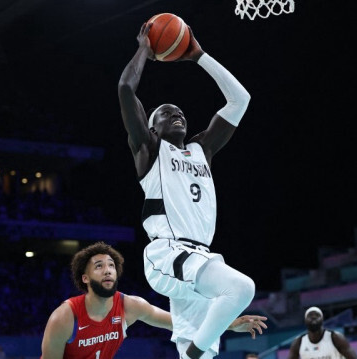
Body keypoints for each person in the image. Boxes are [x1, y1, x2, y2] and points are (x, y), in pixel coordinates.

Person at [118, 18, 256, 359]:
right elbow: (125, 90)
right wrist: (144, 50)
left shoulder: (201, 150)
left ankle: (194, 354)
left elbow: (240, 99)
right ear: (151, 127)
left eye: (179, 112)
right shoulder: (148, 151)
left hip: (200, 257)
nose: (176, 115)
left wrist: (199, 56)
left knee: (203, 354)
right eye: (166, 114)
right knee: (241, 287)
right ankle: (195, 352)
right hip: (168, 253)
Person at [41, 242, 266, 359]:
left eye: (111, 265)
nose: (108, 270)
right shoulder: (65, 317)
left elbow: (177, 322)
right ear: (85, 278)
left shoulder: (130, 306)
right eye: (99, 267)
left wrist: (230, 324)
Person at [287, 307, 357, 359]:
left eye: (317, 315)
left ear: (322, 319)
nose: (313, 317)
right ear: (305, 321)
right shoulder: (298, 342)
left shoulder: (335, 337)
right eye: (310, 315)